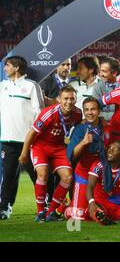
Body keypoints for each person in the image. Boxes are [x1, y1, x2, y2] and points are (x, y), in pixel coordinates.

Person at [19, 85, 82, 222]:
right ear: (59, 99)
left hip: (59, 148)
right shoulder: (49, 113)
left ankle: (51, 212)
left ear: (76, 100)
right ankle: (41, 212)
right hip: (40, 146)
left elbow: (78, 126)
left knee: (68, 177)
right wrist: (24, 153)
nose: (69, 102)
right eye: (65, 98)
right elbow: (32, 133)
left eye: (72, 99)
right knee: (43, 173)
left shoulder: (77, 113)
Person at [0, 56, 44, 220]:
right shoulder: (2, 86)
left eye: (8, 65)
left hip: (30, 140)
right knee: (8, 175)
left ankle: (45, 205)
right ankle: (4, 208)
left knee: (37, 174)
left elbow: (40, 113)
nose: (5, 69)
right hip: (8, 139)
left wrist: (35, 136)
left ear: (17, 67)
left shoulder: (31, 86)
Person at [64, 97, 112, 220]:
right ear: (84, 112)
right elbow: (72, 155)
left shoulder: (106, 127)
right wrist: (83, 143)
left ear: (99, 111)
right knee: (78, 214)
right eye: (87, 110)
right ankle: (64, 209)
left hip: (102, 173)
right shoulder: (79, 129)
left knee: (106, 208)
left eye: (93, 109)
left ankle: (98, 215)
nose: (90, 113)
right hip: (84, 174)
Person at [91, 57, 120, 122]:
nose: (100, 74)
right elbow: (95, 112)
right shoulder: (97, 87)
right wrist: (117, 116)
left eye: (104, 71)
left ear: (114, 73)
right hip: (103, 125)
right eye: (100, 71)